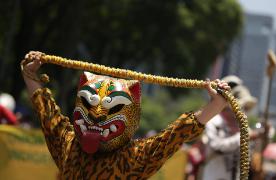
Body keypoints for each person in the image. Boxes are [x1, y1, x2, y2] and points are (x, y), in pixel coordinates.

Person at [22, 51, 230, 179]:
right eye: (89, 103)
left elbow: (175, 135)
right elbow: (47, 113)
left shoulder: (133, 158)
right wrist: (29, 74)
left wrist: (217, 104)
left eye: (112, 108)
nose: (97, 115)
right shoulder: (68, 145)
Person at [186, 75, 261, 180]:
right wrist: (243, 136)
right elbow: (216, 146)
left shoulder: (243, 126)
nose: (242, 110)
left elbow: (252, 154)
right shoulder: (213, 122)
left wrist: (263, 136)